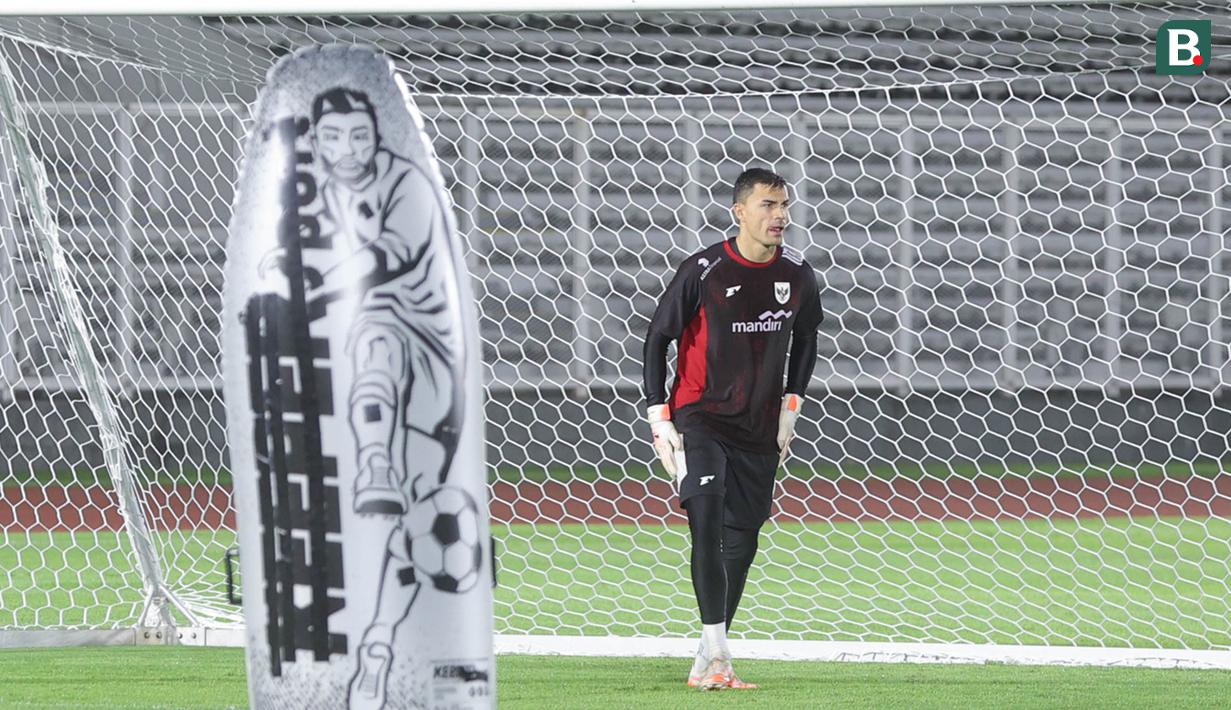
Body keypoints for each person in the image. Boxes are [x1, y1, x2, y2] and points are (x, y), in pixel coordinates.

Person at [642, 167, 824, 690]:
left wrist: (791, 405)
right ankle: (720, 654)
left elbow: (807, 338)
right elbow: (658, 337)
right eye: (768, 205)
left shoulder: (797, 273)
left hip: (759, 424)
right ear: (740, 212)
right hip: (700, 416)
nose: (780, 215)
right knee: (705, 514)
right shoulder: (704, 270)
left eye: (784, 205)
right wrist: (658, 416)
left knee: (742, 542)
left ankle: (709, 652)